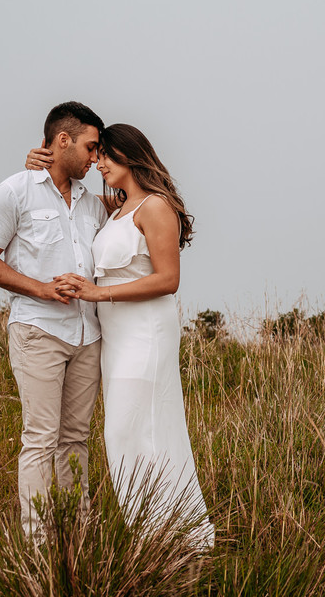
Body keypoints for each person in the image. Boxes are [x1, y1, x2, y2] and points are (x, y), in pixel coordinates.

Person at [27, 124, 216, 549]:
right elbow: (63, 196)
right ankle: (166, 536)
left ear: (130, 155)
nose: (98, 164)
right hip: (116, 340)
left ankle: (166, 537)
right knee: (133, 434)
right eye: (97, 156)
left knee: (131, 432)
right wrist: (39, 163)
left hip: (146, 334)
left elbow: (169, 280)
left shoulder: (156, 206)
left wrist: (99, 293)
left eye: (107, 156)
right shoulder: (116, 207)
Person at [0, 101, 107, 542]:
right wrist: (41, 289)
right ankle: (37, 544)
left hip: (88, 335)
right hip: (38, 331)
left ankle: (75, 535)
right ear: (61, 140)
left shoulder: (93, 203)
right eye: (90, 147)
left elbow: (133, 196)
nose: (94, 157)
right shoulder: (15, 190)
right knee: (41, 438)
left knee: (76, 439)